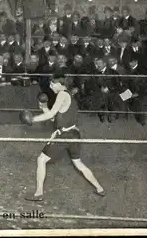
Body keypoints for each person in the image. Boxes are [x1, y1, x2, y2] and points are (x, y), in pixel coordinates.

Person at [20, 71, 105, 201]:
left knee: (41, 160)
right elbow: (56, 119)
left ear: (59, 84)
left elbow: (50, 115)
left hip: (66, 135)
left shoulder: (62, 95)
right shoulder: (69, 95)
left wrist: (33, 119)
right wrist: (43, 107)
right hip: (73, 133)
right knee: (78, 163)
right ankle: (99, 188)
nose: (50, 86)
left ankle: (38, 193)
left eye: (52, 84)